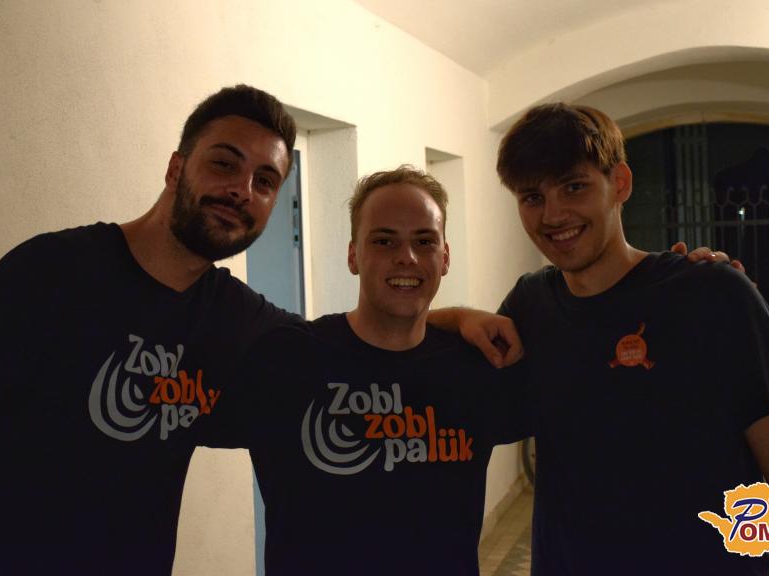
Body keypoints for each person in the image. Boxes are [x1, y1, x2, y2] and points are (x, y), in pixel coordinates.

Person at [0, 85, 302, 576]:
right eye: (224, 164)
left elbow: (353, 350)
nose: (242, 190)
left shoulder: (240, 322)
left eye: (265, 181)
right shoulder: (48, 272)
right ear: (176, 169)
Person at [491, 103, 769, 575]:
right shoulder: (530, 305)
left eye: (574, 186)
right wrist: (454, 317)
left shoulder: (714, 294)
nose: (553, 214)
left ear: (620, 183)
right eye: (532, 197)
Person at [208, 167, 531, 576]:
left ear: (445, 257)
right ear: (353, 256)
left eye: (424, 241)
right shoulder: (288, 359)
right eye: (384, 240)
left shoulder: (477, 368)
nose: (407, 256)